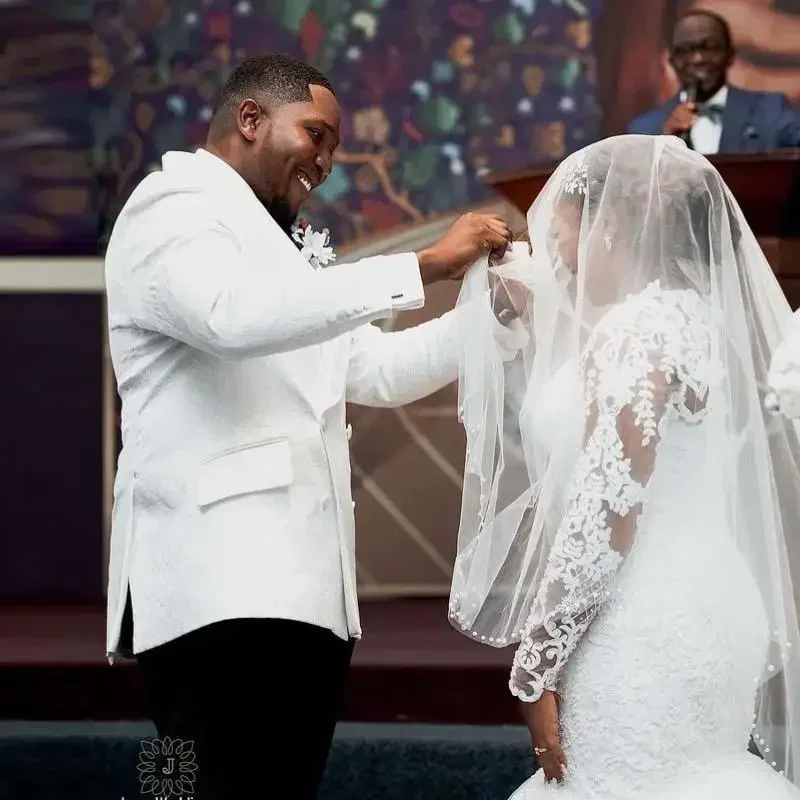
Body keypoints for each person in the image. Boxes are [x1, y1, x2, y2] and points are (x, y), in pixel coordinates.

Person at [103, 52, 511, 799]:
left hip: (297, 590)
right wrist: (421, 265)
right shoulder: (173, 206)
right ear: (251, 119)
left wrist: (492, 318)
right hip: (216, 585)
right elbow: (228, 317)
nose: (325, 161)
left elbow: (375, 372)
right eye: (316, 135)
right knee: (193, 784)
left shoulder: (274, 245)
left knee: (269, 786)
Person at [450, 134, 800, 798]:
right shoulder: (697, 320)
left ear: (610, 227)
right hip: (713, 600)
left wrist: (536, 664)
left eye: (565, 230)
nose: (555, 249)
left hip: (643, 620)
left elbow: (609, 505)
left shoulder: (636, 331)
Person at [627, 9, 800, 153]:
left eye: (708, 47)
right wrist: (662, 143)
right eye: (685, 50)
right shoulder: (645, 129)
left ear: (730, 55)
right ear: (672, 62)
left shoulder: (772, 111)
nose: (698, 59)